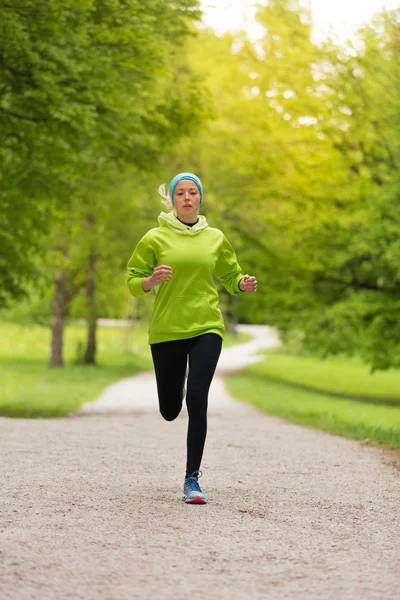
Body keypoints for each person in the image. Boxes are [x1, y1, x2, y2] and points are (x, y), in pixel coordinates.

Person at [127, 172, 257, 504]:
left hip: (206, 327)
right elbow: (133, 278)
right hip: (167, 329)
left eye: (192, 192)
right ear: (171, 200)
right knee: (170, 410)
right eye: (180, 193)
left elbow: (229, 273)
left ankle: (191, 479)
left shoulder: (215, 237)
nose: (187, 197)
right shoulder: (154, 238)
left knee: (197, 397)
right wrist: (150, 280)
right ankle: (180, 385)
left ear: (200, 199)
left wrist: (242, 283)